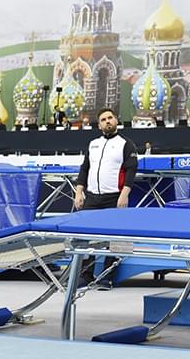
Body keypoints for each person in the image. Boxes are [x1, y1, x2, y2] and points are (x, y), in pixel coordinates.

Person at [74, 107, 138, 290]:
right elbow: (84, 169)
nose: (107, 121)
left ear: (116, 120)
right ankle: (85, 275)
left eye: (110, 118)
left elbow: (132, 171)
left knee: (113, 239)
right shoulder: (93, 144)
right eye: (103, 119)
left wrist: (124, 195)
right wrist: (79, 192)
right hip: (92, 198)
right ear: (99, 124)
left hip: (114, 197)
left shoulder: (126, 144)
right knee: (86, 237)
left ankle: (107, 277)